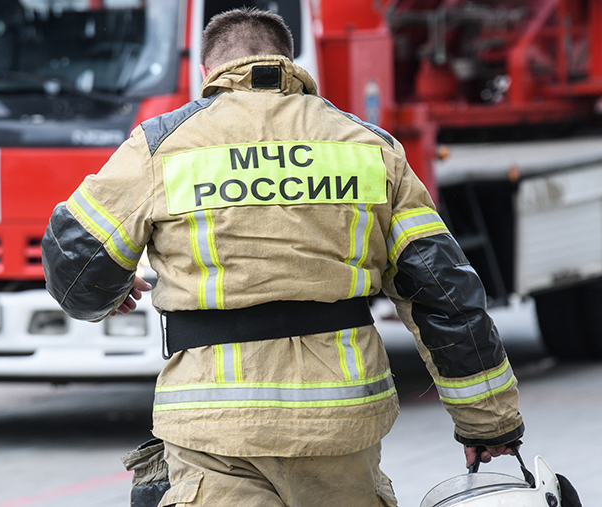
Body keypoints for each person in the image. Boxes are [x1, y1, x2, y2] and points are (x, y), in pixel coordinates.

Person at [41, 8, 523, 506]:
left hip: (213, 427)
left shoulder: (162, 144)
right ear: (290, 64)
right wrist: (488, 422)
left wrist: (111, 292)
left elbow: (73, 261)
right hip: (341, 421)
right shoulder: (370, 147)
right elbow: (443, 292)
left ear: (207, 72)